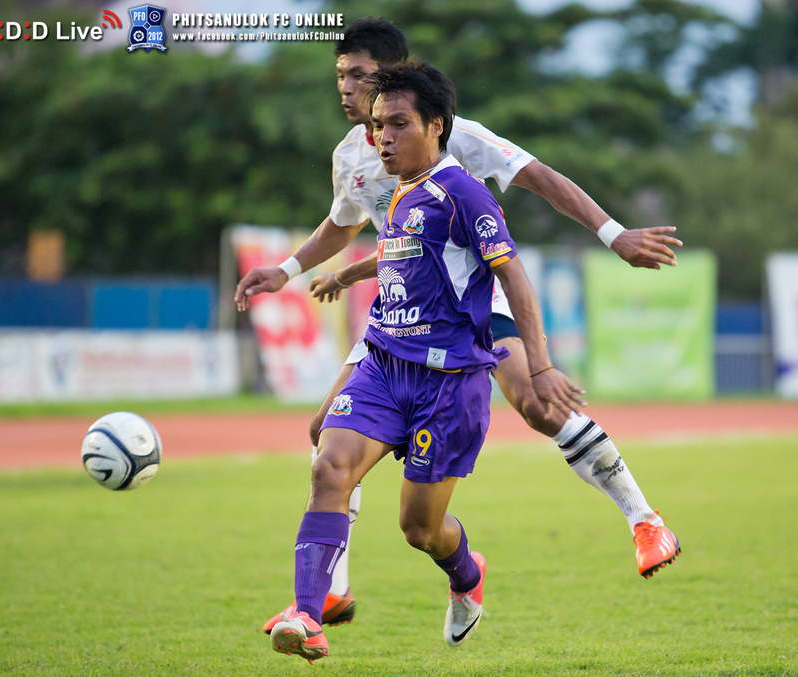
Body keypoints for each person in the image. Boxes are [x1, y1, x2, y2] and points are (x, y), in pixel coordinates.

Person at [239, 18, 683, 634]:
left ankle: (643, 518)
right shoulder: (353, 157)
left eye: (361, 77)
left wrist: (614, 235)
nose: (349, 89)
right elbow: (357, 228)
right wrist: (294, 270)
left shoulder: (455, 139)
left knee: (536, 404)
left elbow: (541, 180)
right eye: (341, 76)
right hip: (401, 313)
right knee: (324, 435)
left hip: (473, 299)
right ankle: (326, 594)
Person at [246, 58, 584, 663]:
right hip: (383, 365)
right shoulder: (399, 190)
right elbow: (399, 251)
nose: (383, 137)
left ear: (437, 126)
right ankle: (308, 613)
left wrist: (539, 365)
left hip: (449, 385)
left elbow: (514, 277)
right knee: (329, 467)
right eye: (378, 125)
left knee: (420, 529)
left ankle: (467, 574)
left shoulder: (465, 193)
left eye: (398, 124)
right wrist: (344, 273)